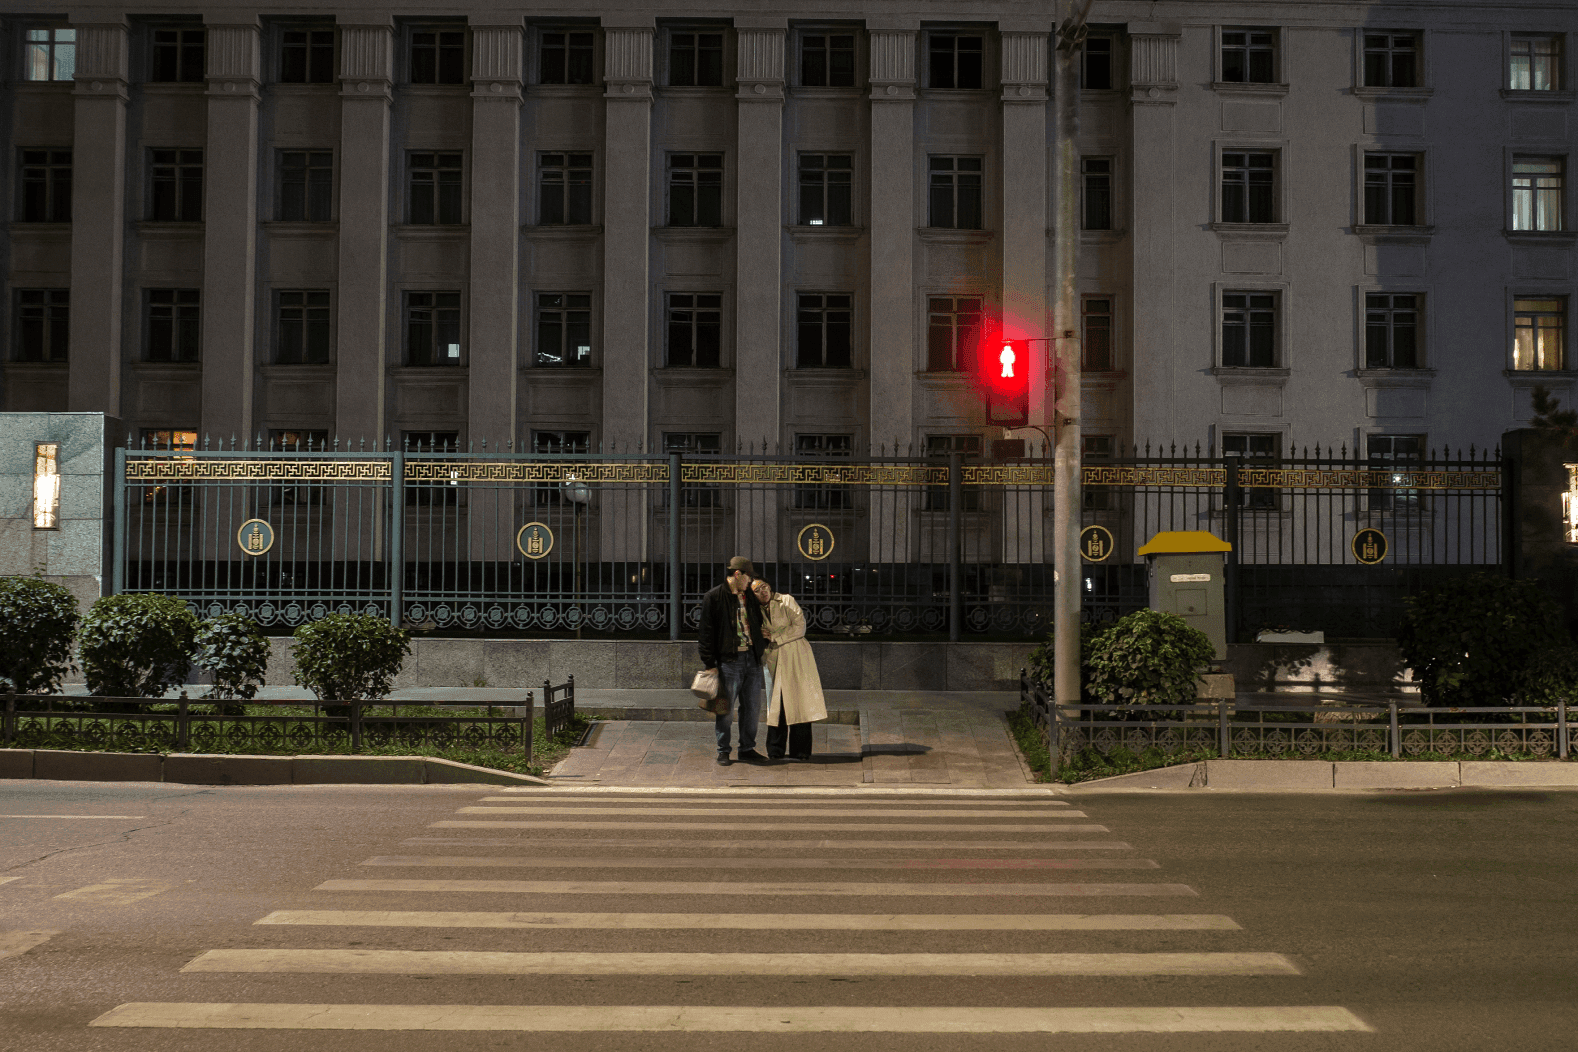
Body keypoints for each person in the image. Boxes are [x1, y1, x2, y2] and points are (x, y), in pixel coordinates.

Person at [697, 556, 768, 766]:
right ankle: (723, 750)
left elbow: (756, 621)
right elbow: (706, 633)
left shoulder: (748, 596)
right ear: (737, 574)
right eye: (748, 578)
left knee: (752, 708)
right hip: (729, 661)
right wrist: (710, 663)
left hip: (752, 659)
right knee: (724, 709)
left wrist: (760, 642)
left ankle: (747, 748)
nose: (750, 582)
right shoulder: (715, 597)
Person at [752, 577, 827, 761]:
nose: (763, 591)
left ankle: (801, 750)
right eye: (758, 590)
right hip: (774, 658)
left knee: (799, 700)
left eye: (764, 586)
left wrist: (776, 636)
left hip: (796, 656)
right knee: (777, 704)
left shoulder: (786, 600)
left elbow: (800, 627)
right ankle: (775, 750)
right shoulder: (755, 611)